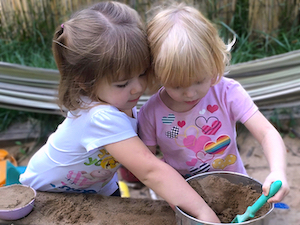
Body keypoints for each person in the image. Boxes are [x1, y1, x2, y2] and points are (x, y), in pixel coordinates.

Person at [19, 2, 220, 222]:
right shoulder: (100, 117)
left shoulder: (118, 101)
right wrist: (201, 211)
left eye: (142, 73)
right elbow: (150, 171)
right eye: (122, 83)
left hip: (97, 188)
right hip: (44, 196)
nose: (137, 88)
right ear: (85, 83)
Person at [138, 2, 289, 203]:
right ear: (157, 74)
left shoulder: (227, 93)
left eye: (199, 81)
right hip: (185, 198)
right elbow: (147, 165)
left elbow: (267, 133)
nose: (190, 93)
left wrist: (278, 171)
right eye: (176, 86)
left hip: (234, 191)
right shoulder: (151, 113)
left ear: (213, 62)